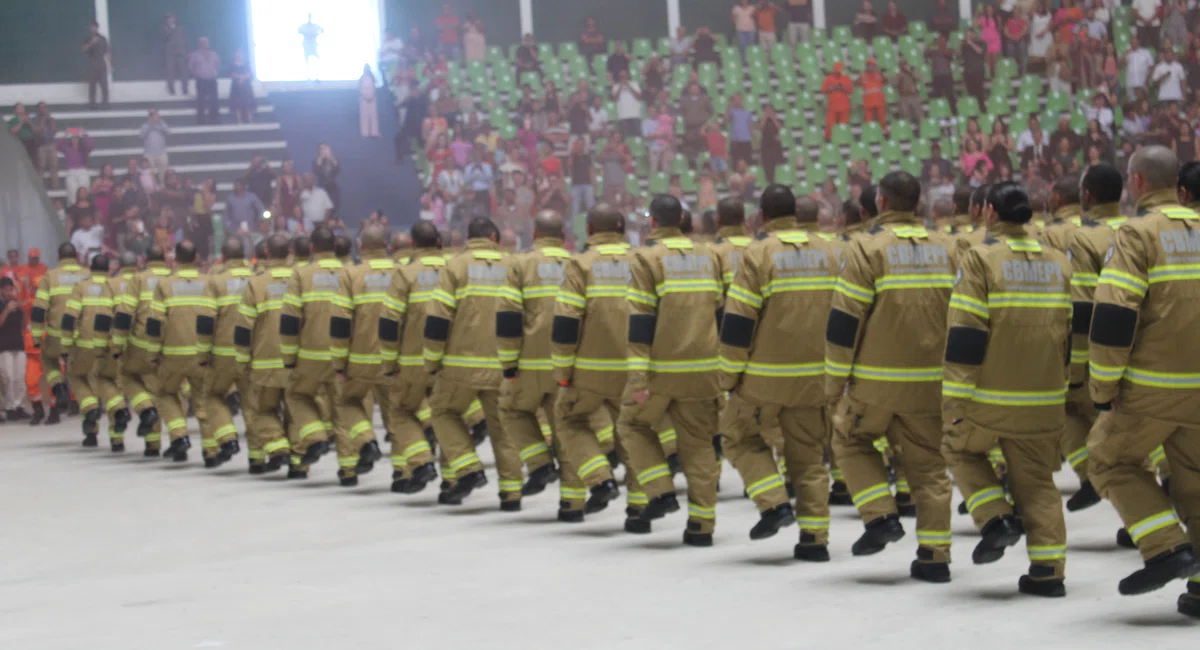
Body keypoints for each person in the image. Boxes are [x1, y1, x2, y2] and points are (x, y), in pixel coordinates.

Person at [942, 181, 1072, 597]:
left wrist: (955, 399)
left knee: (958, 448)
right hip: (1046, 397)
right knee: (1036, 481)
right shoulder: (1059, 261)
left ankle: (995, 517)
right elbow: (1069, 332)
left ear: (990, 214)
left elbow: (966, 331)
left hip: (989, 398)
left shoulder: (980, 259)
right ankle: (1049, 570)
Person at [825, 171, 957, 582]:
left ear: (881, 202)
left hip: (874, 384)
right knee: (930, 468)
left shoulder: (866, 249)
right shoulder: (950, 249)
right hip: (932, 383)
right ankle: (935, 557)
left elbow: (845, 322)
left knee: (849, 440)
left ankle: (880, 516)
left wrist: (834, 382)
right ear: (917, 204)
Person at [1086, 145, 1200, 610]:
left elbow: (1114, 316)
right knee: (1195, 480)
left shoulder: (1138, 235)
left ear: (1136, 183)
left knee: (1107, 458)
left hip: (1152, 389)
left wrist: (1103, 389)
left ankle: (1166, 547)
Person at [718, 186, 838, 555]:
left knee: (737, 436)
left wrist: (729, 377)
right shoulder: (831, 252)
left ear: (763, 216)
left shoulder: (757, 254)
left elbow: (738, 323)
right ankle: (815, 540)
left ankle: (773, 502)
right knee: (809, 458)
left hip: (764, 379)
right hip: (816, 376)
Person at [619, 194, 724, 543]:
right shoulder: (710, 256)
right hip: (706, 369)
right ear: (681, 220)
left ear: (653, 223)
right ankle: (702, 526)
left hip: (663, 371)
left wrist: (638, 377)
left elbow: (641, 323)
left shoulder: (647, 259)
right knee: (698, 444)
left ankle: (661, 491)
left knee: (632, 424)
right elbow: (722, 315)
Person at [422, 217, 513, 505]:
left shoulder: (456, 266)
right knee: (503, 426)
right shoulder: (513, 266)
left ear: (468, 238)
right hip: (503, 364)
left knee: (444, 412)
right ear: (494, 237)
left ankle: (462, 472)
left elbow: (438, 319)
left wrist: (432, 361)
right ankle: (512, 492)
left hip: (460, 365)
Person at [494, 211, 574, 505]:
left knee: (511, 410)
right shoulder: (577, 264)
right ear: (563, 236)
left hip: (529, 365)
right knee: (566, 427)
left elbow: (508, 318)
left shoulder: (521, 264)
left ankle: (539, 463)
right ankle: (572, 504)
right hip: (567, 366)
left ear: (535, 235)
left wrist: (509, 365)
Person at [379, 222, 443, 494]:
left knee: (401, 411)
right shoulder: (454, 270)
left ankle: (419, 463)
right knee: (448, 417)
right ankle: (453, 481)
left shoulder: (405, 274)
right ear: (438, 241)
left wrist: (389, 363)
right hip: (447, 363)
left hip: (412, 362)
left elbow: (390, 322)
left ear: (414, 245)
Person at [234, 233, 295, 473]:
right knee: (296, 410)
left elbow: (243, 327)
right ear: (289, 252)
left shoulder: (256, 284)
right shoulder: (301, 279)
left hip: (265, 362)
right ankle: (299, 464)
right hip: (297, 361)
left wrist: (242, 360)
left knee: (262, 409)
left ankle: (278, 448)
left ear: (266, 254)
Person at [0, 278, 26, 422]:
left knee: (19, 377)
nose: (10, 292)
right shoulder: (2, 305)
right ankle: (9, 407)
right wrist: (7, 310)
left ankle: (19, 406)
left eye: (11, 289)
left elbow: (23, 325)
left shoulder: (15, 303)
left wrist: (22, 310)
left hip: (18, 343)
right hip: (3, 345)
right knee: (7, 377)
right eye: (7, 289)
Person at [189, 37, 221, 125]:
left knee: (214, 100)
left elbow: (218, 65)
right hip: (201, 80)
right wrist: (197, 75)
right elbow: (191, 67)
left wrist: (215, 73)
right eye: (203, 42)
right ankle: (201, 121)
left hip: (212, 80)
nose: (205, 44)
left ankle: (214, 120)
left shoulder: (214, 54)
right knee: (201, 101)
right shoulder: (194, 55)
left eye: (206, 42)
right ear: (199, 44)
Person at [83, 21, 110, 109]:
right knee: (92, 84)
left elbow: (108, 52)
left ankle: (105, 102)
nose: (94, 28)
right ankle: (92, 103)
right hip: (92, 63)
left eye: (95, 27)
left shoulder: (103, 38)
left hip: (101, 63)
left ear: (98, 27)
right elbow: (83, 49)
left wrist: (110, 64)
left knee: (104, 84)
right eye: (92, 27)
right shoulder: (87, 38)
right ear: (90, 28)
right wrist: (91, 42)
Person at [139, 109, 170, 184]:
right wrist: (150, 124)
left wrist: (159, 122)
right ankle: (153, 189)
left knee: (163, 173)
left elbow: (168, 132)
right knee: (149, 174)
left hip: (161, 153)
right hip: (149, 154)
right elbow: (141, 136)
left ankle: (162, 187)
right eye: (151, 114)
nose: (153, 116)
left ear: (158, 114)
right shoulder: (145, 125)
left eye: (154, 114)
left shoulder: (162, 123)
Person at [31, 103, 58, 188]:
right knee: (41, 166)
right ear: (38, 109)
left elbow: (54, 131)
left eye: (44, 107)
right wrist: (43, 120)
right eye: (41, 108)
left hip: (51, 144)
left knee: (54, 165)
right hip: (41, 145)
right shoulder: (34, 119)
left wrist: (49, 120)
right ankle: (39, 185)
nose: (43, 109)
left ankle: (55, 185)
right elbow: (38, 131)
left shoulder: (51, 119)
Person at [162, 13, 189, 95]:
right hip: (170, 53)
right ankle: (171, 89)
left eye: (172, 18)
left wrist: (187, 50)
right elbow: (163, 38)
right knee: (170, 71)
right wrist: (170, 29)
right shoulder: (164, 28)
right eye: (169, 18)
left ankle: (185, 88)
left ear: (175, 19)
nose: (170, 19)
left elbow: (185, 39)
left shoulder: (181, 28)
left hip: (181, 52)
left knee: (184, 71)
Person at [611, 70, 643, 139]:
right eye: (621, 76)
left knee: (637, 137)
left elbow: (639, 96)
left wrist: (629, 85)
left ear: (628, 76)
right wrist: (621, 86)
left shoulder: (634, 84)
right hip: (623, 117)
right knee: (626, 139)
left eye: (625, 75)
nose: (623, 77)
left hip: (635, 115)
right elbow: (615, 99)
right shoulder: (616, 86)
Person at [567, 139, 594, 217]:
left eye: (582, 144)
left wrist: (593, 184)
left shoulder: (587, 157)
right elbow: (569, 165)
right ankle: (574, 227)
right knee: (575, 209)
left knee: (591, 208)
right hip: (576, 185)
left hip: (588, 184)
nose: (580, 146)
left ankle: (591, 226)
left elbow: (591, 171)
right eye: (579, 144)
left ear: (584, 146)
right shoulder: (573, 157)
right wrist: (573, 152)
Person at [228, 50, 256, 124]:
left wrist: (243, 78)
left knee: (248, 103)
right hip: (236, 87)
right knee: (237, 104)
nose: (239, 55)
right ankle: (239, 120)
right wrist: (239, 77)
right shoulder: (232, 65)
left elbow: (250, 74)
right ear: (235, 55)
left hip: (246, 87)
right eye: (237, 53)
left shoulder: (247, 64)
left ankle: (250, 120)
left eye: (240, 54)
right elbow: (231, 74)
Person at [859, 57, 887, 132]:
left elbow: (886, 81)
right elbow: (855, 83)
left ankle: (884, 132)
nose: (871, 66)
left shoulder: (879, 74)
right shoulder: (863, 75)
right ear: (866, 65)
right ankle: (869, 134)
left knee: (882, 118)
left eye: (873, 65)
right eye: (869, 65)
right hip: (868, 102)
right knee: (868, 120)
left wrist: (881, 73)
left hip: (879, 101)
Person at [927, 34, 955, 105]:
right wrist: (931, 44)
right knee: (937, 94)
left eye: (943, 40)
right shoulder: (934, 52)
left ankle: (953, 111)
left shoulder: (949, 50)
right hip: (936, 75)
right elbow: (925, 53)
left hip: (947, 75)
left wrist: (941, 47)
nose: (941, 42)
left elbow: (949, 54)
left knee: (950, 94)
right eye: (940, 40)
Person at [1124, 36, 1155, 101]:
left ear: (1138, 42)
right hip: (1130, 83)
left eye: (1135, 42)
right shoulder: (1128, 53)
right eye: (1132, 43)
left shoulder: (1146, 52)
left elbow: (1152, 66)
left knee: (1143, 102)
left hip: (1142, 82)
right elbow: (1121, 65)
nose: (1133, 44)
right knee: (1131, 103)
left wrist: (1148, 78)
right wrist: (1125, 54)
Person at [313, 143, 340, 207]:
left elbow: (338, 169)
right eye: (321, 149)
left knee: (333, 206)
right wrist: (320, 160)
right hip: (321, 188)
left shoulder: (334, 159)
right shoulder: (316, 161)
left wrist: (331, 158)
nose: (323, 151)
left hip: (333, 188)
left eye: (325, 149)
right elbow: (315, 171)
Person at [298, 13, 324, 80]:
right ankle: (308, 77)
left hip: (313, 45)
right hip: (307, 46)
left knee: (316, 60)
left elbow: (322, 30)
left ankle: (316, 77)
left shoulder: (315, 26)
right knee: (307, 61)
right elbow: (299, 30)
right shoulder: (304, 26)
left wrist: (317, 33)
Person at [357, 64, 380, 138]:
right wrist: (365, 96)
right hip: (364, 98)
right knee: (364, 116)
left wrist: (371, 96)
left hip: (372, 98)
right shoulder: (361, 78)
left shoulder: (372, 78)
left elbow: (375, 87)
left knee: (373, 115)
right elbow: (360, 89)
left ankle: (374, 132)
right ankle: (365, 133)